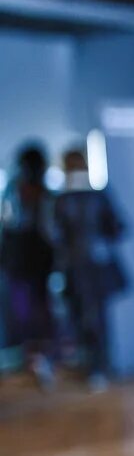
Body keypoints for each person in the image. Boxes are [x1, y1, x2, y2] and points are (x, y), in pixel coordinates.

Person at [53, 148, 128, 391]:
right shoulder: (95, 196)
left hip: (81, 267)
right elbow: (118, 228)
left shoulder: (64, 200)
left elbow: (56, 236)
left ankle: (98, 367)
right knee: (94, 316)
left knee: (90, 316)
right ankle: (99, 366)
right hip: (92, 265)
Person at [0, 143, 56, 389]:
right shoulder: (22, 191)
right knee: (31, 310)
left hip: (28, 262)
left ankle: (37, 357)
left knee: (30, 310)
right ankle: (36, 357)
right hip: (27, 261)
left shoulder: (24, 191)